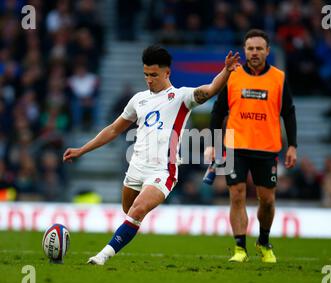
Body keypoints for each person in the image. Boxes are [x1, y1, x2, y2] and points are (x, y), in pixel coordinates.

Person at [63, 45, 240, 265]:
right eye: (146, 74)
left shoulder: (181, 97)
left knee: (136, 210)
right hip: (136, 167)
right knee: (130, 212)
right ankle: (128, 231)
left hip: (163, 170)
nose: (149, 79)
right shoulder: (138, 100)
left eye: (154, 75)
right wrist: (82, 150)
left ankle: (102, 256)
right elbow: (113, 129)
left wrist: (226, 71)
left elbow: (211, 89)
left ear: (167, 72)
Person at [204, 29, 297, 263]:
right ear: (244, 51)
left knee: (267, 200)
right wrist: (214, 143)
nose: (254, 53)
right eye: (250, 48)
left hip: (267, 148)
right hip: (235, 146)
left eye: (258, 48)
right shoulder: (232, 75)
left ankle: (263, 241)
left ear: (267, 51)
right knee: (237, 195)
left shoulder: (279, 77)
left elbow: (289, 112)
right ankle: (239, 248)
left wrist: (293, 145)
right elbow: (218, 111)